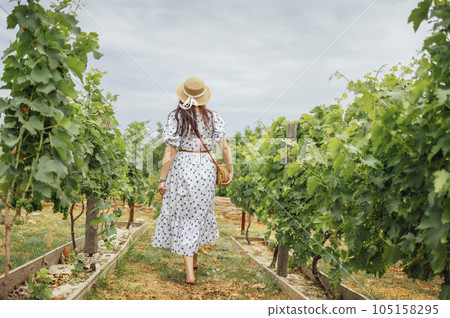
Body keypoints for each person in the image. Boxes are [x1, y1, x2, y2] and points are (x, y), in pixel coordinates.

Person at [151, 77, 234, 285]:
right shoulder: (213, 117)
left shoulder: (176, 117)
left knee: (185, 215)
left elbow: (170, 151)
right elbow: (224, 147)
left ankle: (189, 274)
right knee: (197, 214)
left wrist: (162, 179)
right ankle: (193, 264)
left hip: (183, 167)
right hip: (206, 168)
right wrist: (230, 169)